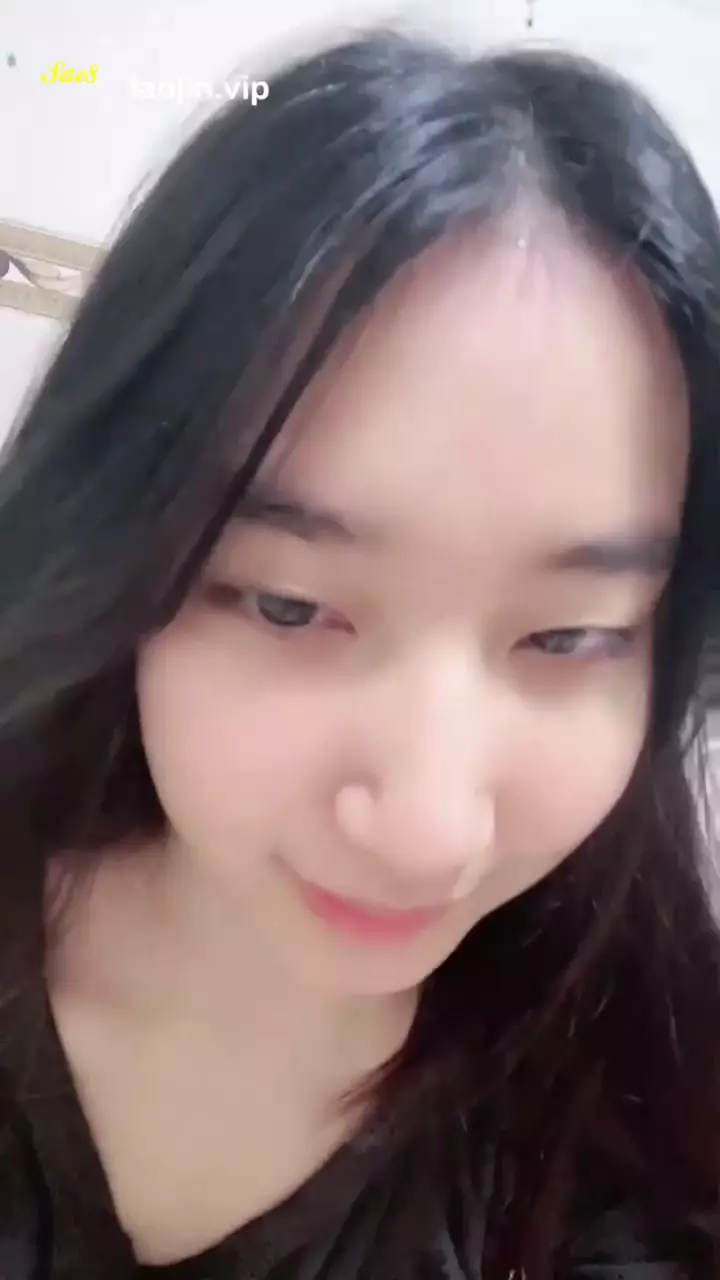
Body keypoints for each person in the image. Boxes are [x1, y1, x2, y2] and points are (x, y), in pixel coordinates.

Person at [0, 26, 718, 1280]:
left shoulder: (644, 1141)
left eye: (567, 635)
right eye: (289, 606)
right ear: (122, 548)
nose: (428, 830)